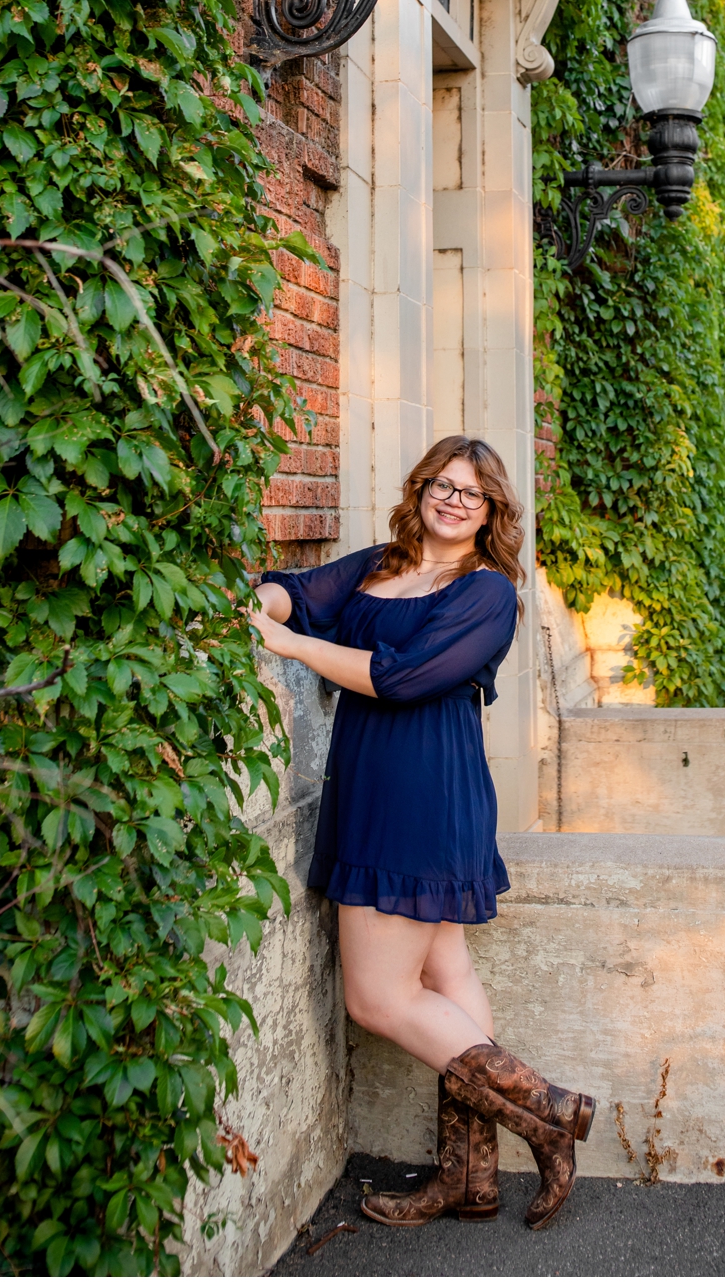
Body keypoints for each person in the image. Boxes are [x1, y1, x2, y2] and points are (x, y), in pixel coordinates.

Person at [249, 436, 596, 1233]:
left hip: (420, 798)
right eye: (442, 484)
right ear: (421, 489)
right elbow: (298, 589)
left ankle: (549, 1112)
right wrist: (261, 611)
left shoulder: (485, 593)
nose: (452, 499)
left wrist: (294, 645)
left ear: (492, 510)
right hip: (378, 788)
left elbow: (399, 678)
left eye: (470, 493)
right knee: (444, 973)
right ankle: (469, 1179)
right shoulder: (380, 561)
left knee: (379, 997)